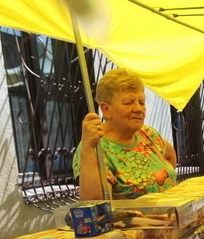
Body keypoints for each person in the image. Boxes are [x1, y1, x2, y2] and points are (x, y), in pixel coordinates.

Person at [73, 68, 178, 200]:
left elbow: (170, 155)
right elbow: (95, 203)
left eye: (141, 102)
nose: (139, 109)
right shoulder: (95, 147)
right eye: (129, 102)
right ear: (106, 109)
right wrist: (88, 148)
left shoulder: (148, 134)